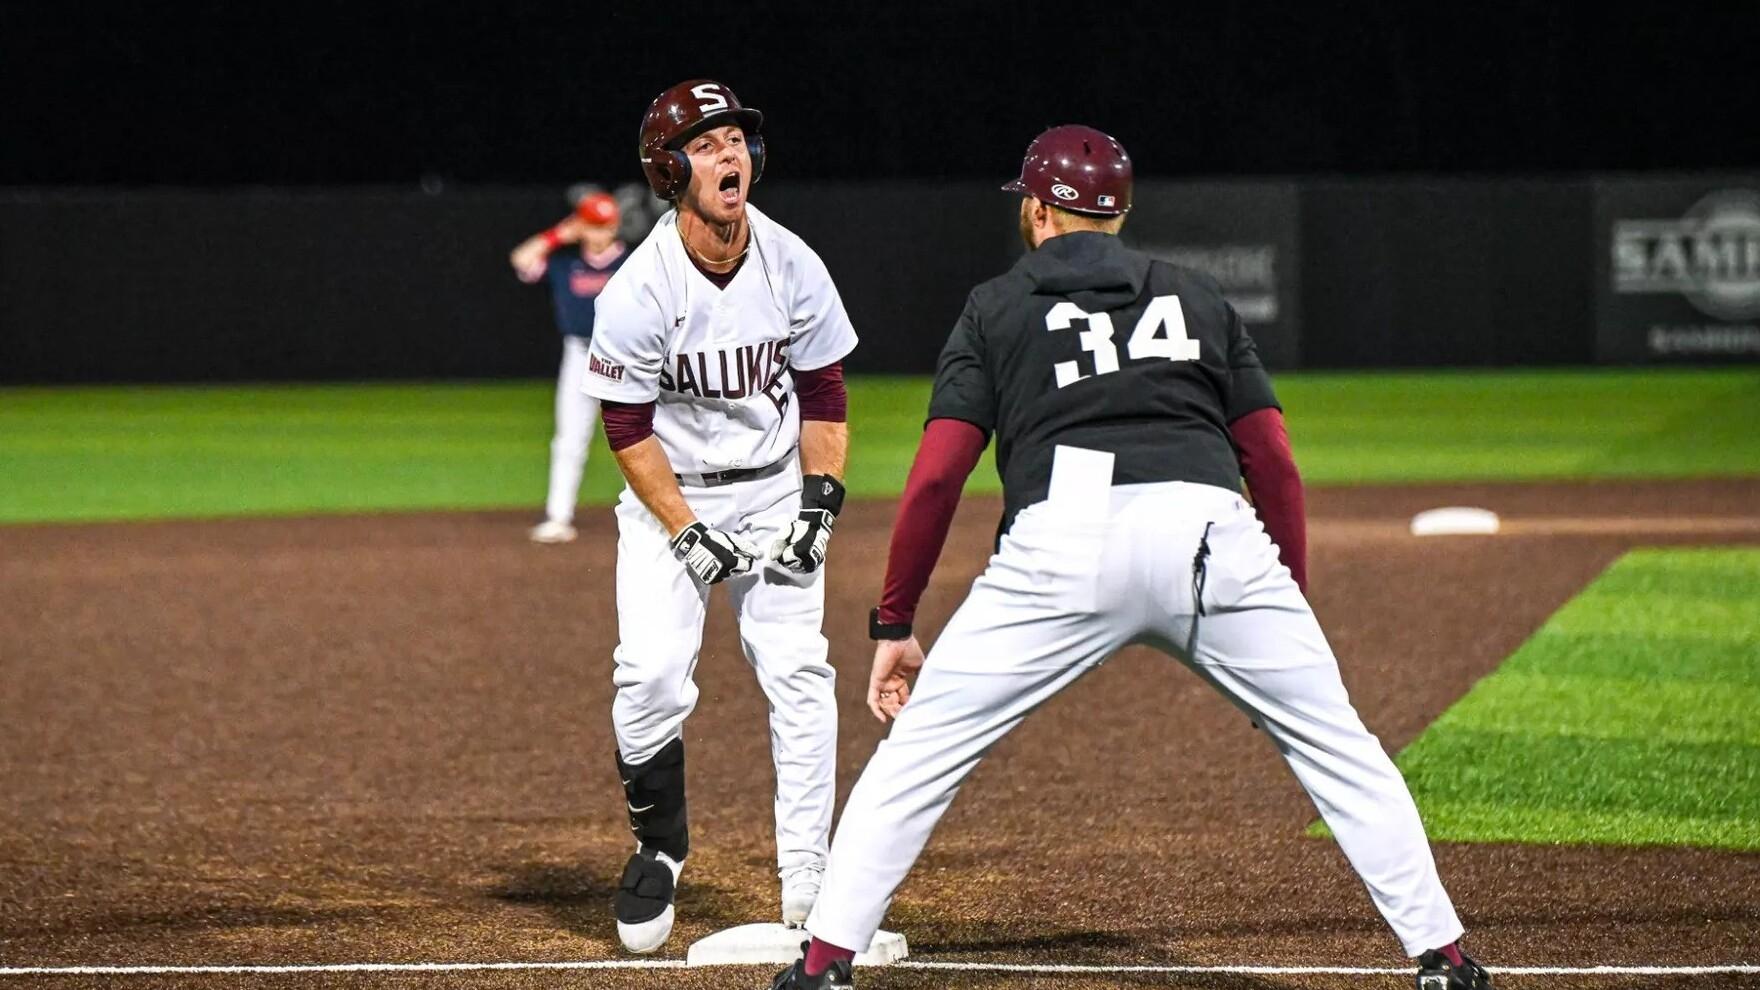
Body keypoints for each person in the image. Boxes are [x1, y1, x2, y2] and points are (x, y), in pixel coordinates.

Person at [770, 126, 1493, 990]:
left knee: (920, 754)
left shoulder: (995, 306)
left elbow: (936, 480)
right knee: (1343, 750)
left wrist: (895, 619)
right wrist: (1280, 595)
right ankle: (1444, 957)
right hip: (1211, 533)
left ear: (1038, 208)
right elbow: (1273, 461)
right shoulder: (1195, 295)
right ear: (1121, 212)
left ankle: (823, 965)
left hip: (1063, 535)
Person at [580, 79, 857, 954]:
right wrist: (686, 529)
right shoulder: (638, 290)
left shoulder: (792, 261)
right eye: (706, 143)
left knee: (800, 675)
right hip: (677, 489)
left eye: (736, 137)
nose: (730, 153)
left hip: (777, 483)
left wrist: (820, 502)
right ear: (669, 168)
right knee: (650, 675)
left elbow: (824, 392)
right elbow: (624, 428)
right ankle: (659, 847)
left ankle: (810, 878)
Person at [510, 191, 630, 544]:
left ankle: (654, 513)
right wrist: (558, 235)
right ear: (580, 226)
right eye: (592, 225)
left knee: (639, 436)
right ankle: (559, 516)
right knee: (569, 439)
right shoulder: (564, 264)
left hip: (626, 357)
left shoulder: (634, 263)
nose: (599, 233)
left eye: (605, 225)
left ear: (616, 226)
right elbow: (521, 258)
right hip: (579, 354)